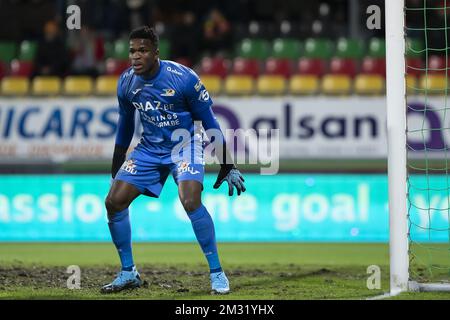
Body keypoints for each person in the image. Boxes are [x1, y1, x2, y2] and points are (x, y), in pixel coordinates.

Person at [101, 26, 246, 294]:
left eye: (142, 51)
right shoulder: (126, 82)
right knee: (113, 202)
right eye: (132, 51)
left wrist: (227, 163)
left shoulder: (184, 79)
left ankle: (217, 273)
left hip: (185, 144)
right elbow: (125, 124)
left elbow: (210, 122)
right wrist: (117, 162)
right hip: (149, 148)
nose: (135, 56)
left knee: (190, 200)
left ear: (156, 53)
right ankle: (128, 272)